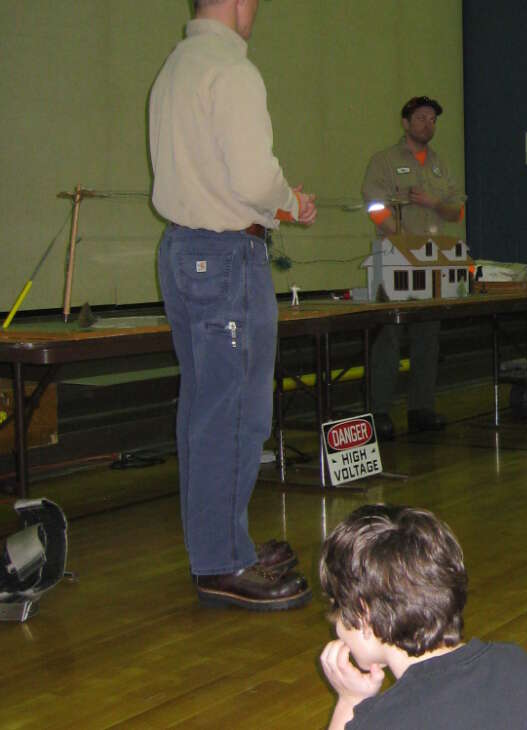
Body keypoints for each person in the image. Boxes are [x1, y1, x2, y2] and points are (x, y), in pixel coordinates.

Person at [149, 0, 316, 609]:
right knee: (237, 415)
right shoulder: (233, 69)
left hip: (182, 252)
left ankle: (218, 545)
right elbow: (251, 179)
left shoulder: (176, 66)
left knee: (203, 409)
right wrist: (291, 201)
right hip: (225, 259)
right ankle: (222, 562)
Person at [318, 504, 527, 730]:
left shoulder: (384, 721)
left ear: (364, 615)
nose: (336, 625)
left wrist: (350, 702)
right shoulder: (514, 660)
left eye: (337, 607)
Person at [361, 96, 465, 439]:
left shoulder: (440, 167)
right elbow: (374, 204)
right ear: (405, 122)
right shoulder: (384, 161)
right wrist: (401, 237)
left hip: (433, 259)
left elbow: (456, 211)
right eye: (421, 118)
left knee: (427, 335)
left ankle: (421, 407)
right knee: (388, 335)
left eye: (433, 119)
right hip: (394, 256)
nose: (428, 124)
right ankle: (379, 411)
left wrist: (433, 201)